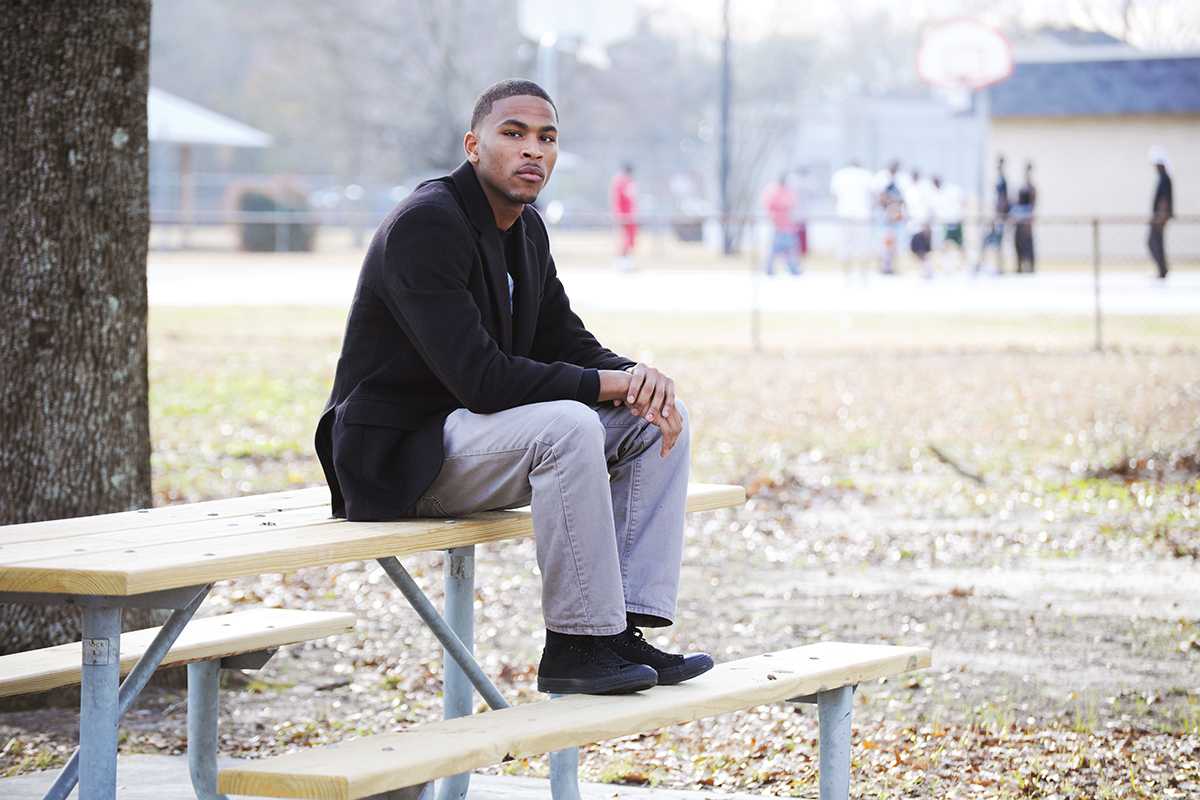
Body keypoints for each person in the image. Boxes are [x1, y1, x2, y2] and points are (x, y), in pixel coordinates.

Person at [314, 79, 712, 696]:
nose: (533, 150)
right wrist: (605, 384)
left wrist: (636, 380)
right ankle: (578, 646)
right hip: (398, 458)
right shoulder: (426, 225)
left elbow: (565, 340)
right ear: (474, 145)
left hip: (475, 441)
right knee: (569, 424)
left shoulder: (525, 230)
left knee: (655, 417)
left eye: (546, 138)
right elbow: (484, 379)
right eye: (514, 134)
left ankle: (620, 633)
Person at [829, 158, 875, 282]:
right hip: (863, 216)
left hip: (844, 214)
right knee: (864, 246)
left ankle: (847, 276)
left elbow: (833, 196)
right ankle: (863, 276)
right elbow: (874, 195)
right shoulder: (866, 175)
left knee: (844, 246)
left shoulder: (839, 175)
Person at [761, 173, 801, 276]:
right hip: (776, 225)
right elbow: (768, 205)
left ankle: (794, 269)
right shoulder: (772, 190)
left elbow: (792, 205)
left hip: (788, 226)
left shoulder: (788, 191)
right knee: (772, 249)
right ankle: (768, 269)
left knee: (791, 248)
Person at [977, 155, 1010, 275]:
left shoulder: (1003, 182)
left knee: (997, 242)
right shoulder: (999, 180)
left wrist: (999, 216)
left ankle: (999, 267)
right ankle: (983, 265)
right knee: (988, 241)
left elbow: (1003, 200)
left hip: (999, 217)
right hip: (996, 216)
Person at [875, 160, 906, 275]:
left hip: (896, 219)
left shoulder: (900, 181)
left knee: (894, 245)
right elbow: (881, 199)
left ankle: (891, 267)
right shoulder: (882, 180)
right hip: (886, 219)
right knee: (884, 244)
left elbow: (902, 201)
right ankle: (884, 267)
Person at [1148, 146, 1174, 280]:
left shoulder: (1165, 178)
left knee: (1154, 242)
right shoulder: (1163, 178)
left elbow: (1164, 200)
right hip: (1159, 216)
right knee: (1155, 242)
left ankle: (1162, 270)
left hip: (1160, 217)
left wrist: (1160, 216)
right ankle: (1162, 270)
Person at [931, 175, 966, 272]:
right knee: (944, 245)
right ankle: (945, 266)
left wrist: (960, 215)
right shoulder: (936, 193)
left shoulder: (951, 190)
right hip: (945, 223)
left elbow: (962, 202)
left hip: (955, 221)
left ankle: (964, 266)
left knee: (960, 245)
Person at [610, 163, 638, 272]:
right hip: (623, 216)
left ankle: (627, 263)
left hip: (630, 216)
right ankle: (620, 263)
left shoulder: (630, 182)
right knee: (623, 239)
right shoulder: (619, 182)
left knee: (630, 240)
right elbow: (617, 201)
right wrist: (619, 215)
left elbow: (631, 200)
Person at [1012, 161, 1037, 274]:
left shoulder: (1031, 188)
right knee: (1018, 243)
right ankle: (1019, 265)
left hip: (1026, 220)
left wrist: (1029, 218)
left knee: (1028, 244)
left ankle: (1030, 266)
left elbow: (1032, 204)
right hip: (1019, 219)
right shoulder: (1022, 188)